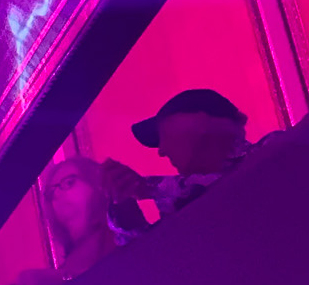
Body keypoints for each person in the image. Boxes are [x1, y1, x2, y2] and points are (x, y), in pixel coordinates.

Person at [101, 89, 254, 225]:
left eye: (165, 135)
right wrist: (126, 205)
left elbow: (205, 187)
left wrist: (147, 188)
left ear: (200, 124)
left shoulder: (270, 153)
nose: (162, 151)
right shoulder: (190, 209)